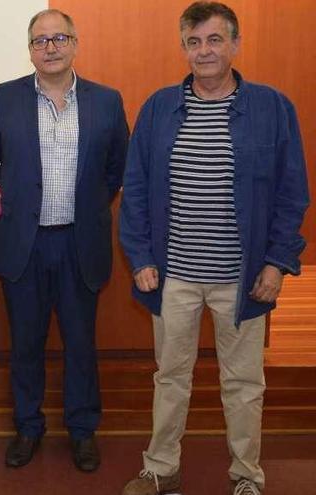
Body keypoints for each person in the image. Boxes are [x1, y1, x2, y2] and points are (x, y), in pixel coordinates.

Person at [118, 3, 309, 494]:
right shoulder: (160, 108)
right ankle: (161, 470)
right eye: (194, 41)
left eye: (215, 40)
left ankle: (247, 477)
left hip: (243, 278)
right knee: (170, 377)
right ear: (184, 48)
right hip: (174, 275)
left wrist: (276, 263)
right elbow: (135, 186)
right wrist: (140, 257)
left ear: (235, 45)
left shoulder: (272, 107)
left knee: (244, 384)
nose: (204, 51)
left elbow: (292, 192)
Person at [0, 9, 129, 472]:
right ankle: (28, 426)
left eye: (59, 38)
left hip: (79, 242)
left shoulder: (106, 100)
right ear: (30, 49)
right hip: (23, 242)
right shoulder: (4, 99)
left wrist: (88, 207)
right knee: (26, 342)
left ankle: (82, 431)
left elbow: (116, 170)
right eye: (40, 40)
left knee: (81, 343)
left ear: (75, 43)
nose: (50, 47)